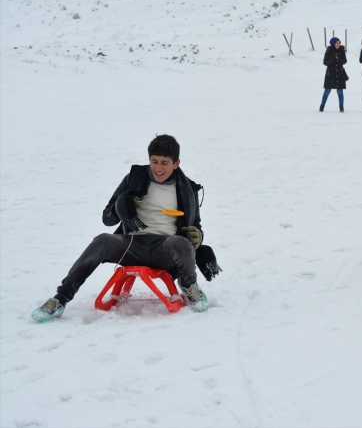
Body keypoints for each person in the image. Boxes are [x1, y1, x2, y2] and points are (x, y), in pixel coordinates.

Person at [31, 135, 221, 322]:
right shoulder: (133, 179)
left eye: (164, 163)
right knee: (102, 240)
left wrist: (197, 235)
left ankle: (189, 286)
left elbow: (195, 227)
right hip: (131, 244)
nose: (158, 168)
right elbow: (107, 218)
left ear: (176, 163)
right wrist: (121, 205)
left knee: (182, 243)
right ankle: (60, 299)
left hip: (164, 247)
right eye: (154, 161)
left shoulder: (188, 189)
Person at [320, 37, 347, 113]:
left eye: (339, 43)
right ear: (333, 44)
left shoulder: (342, 51)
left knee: (340, 92)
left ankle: (341, 107)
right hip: (330, 74)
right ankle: (322, 106)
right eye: (336, 43)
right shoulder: (328, 51)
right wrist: (332, 60)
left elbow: (345, 61)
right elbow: (325, 62)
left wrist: (339, 60)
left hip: (339, 73)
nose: (338, 44)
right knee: (327, 91)